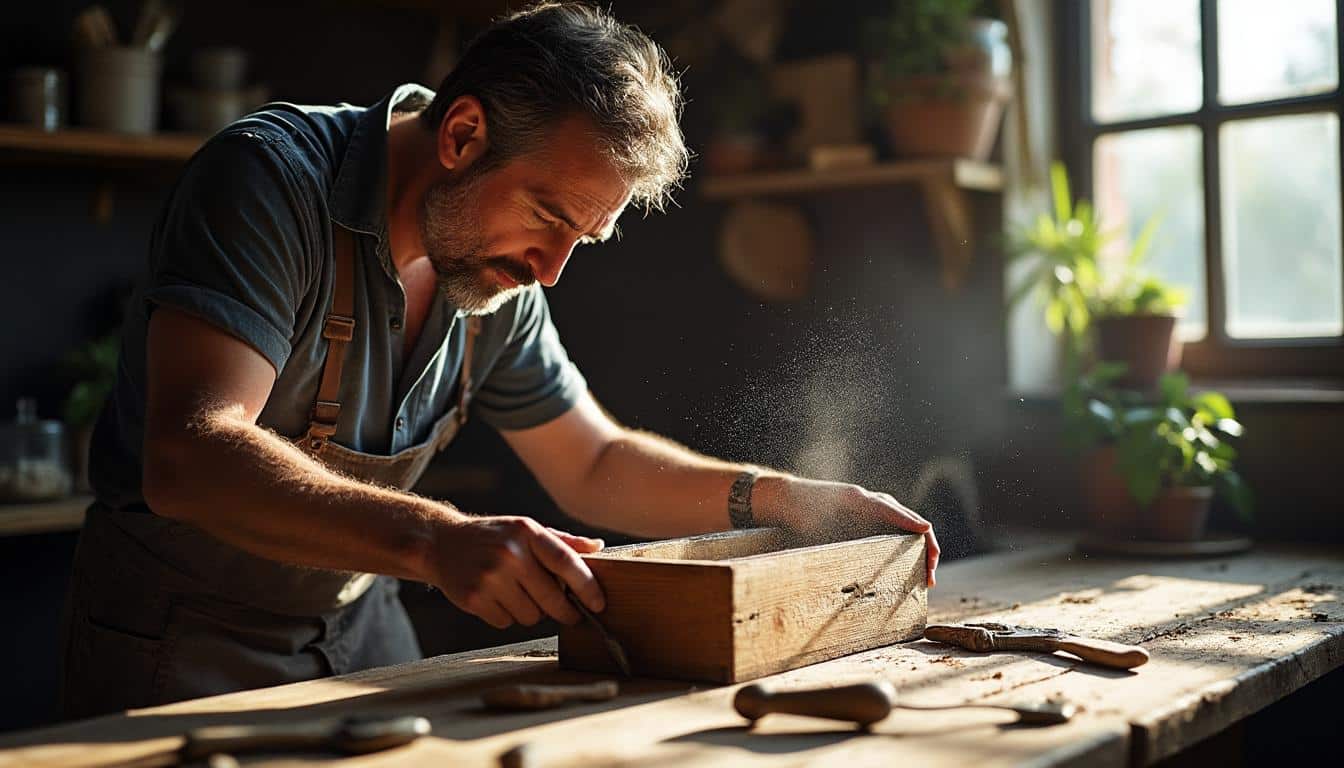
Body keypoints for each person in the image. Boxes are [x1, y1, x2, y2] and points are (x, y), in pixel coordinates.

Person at [59, 1, 940, 718]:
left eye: (583, 240)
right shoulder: (269, 181)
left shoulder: (490, 274)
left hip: (359, 624)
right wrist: (439, 540)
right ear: (463, 134)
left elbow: (594, 461)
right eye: (550, 218)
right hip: (180, 637)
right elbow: (191, 454)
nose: (550, 272)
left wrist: (785, 497)